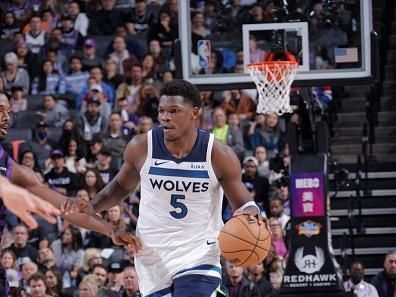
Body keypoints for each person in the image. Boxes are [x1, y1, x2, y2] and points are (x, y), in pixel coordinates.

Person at [62, 79, 265, 296]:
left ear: (194, 113)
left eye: (174, 110)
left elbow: (244, 202)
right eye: (162, 111)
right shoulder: (141, 147)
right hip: (151, 254)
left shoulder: (218, 154)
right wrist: (92, 206)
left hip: (198, 252)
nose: (165, 117)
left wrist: (251, 213)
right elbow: (120, 186)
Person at [0, 93, 138, 296]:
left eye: (8, 112)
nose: (6, 117)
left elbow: (64, 207)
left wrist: (111, 231)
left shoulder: (10, 167)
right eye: (0, 110)